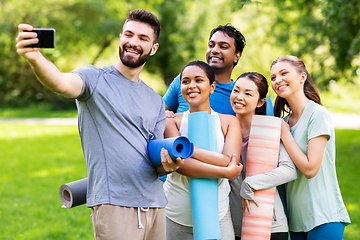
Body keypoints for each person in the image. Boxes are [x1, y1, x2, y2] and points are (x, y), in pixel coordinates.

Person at [16, 9, 183, 240]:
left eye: (143, 38)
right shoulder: (94, 79)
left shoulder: (155, 101)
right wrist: (35, 57)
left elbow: (154, 162)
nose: (133, 42)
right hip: (114, 204)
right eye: (129, 34)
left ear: (153, 48)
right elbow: (61, 82)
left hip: (155, 204)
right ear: (120, 37)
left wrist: (168, 165)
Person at [270, 55, 351, 240]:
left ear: (302, 77)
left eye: (284, 73)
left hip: (324, 217)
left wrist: (285, 135)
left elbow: (310, 168)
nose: (278, 80)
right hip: (296, 222)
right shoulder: (283, 123)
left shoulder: (317, 114)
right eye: (273, 77)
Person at [161, 60, 243, 240]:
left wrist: (190, 150)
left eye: (199, 80)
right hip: (176, 216)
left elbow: (231, 160)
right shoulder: (171, 122)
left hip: (217, 215)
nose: (191, 86)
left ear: (212, 86)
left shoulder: (228, 122)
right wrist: (225, 171)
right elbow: (182, 167)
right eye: (185, 81)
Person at [229, 72, 297, 240]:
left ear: (260, 102)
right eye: (236, 91)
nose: (239, 97)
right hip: (233, 224)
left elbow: (289, 170)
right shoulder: (224, 128)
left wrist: (249, 184)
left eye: (247, 93)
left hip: (270, 224)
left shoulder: (269, 129)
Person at [163, 24, 246, 116]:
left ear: (237, 56)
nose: (214, 50)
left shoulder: (238, 96)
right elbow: (157, 115)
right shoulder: (185, 81)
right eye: (211, 45)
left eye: (223, 47)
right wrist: (166, 116)